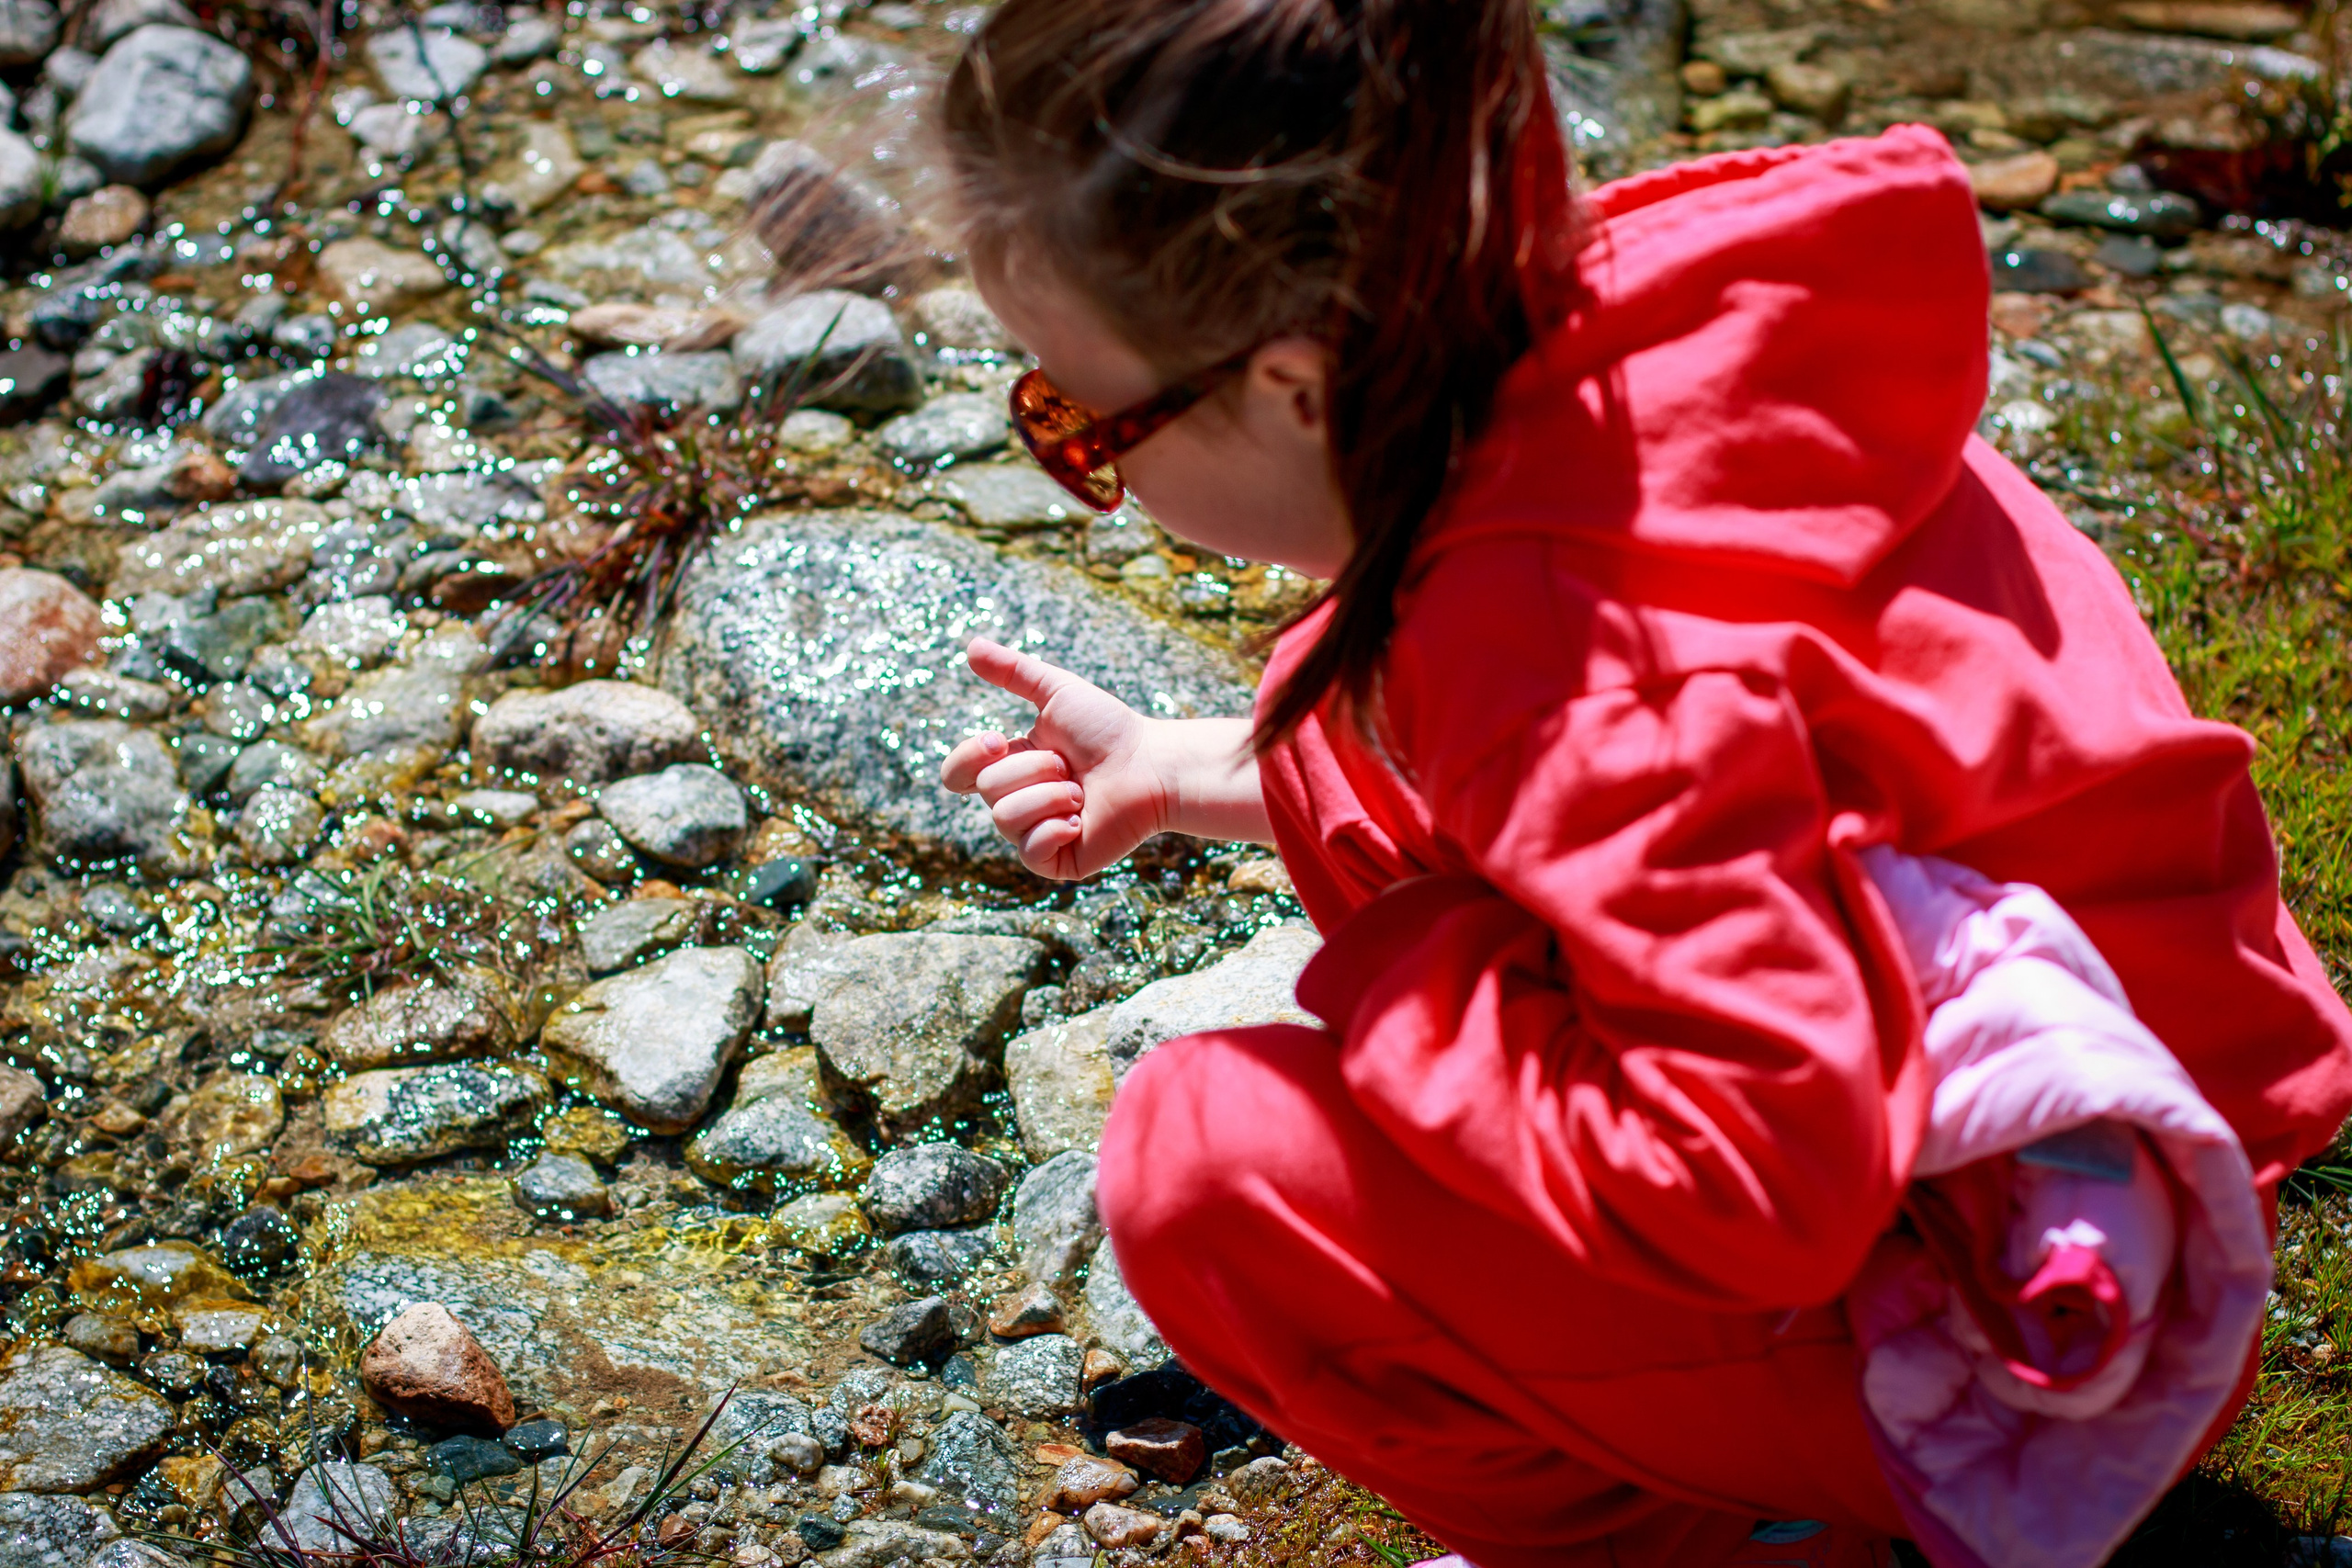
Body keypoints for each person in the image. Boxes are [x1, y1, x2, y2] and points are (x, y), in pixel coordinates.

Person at [929, 2, 2352, 1563]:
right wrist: (1176, 767)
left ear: (1289, 388)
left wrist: (1411, 987)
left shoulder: (1561, 660)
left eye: (1077, 423)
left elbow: (1754, 1187)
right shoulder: (1629, 351)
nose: (1089, 469)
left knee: (1199, 1168)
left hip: (2051, 1324)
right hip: (2122, 1160)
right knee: (1327, 690)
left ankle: (1712, 1541)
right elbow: (1612, 769)